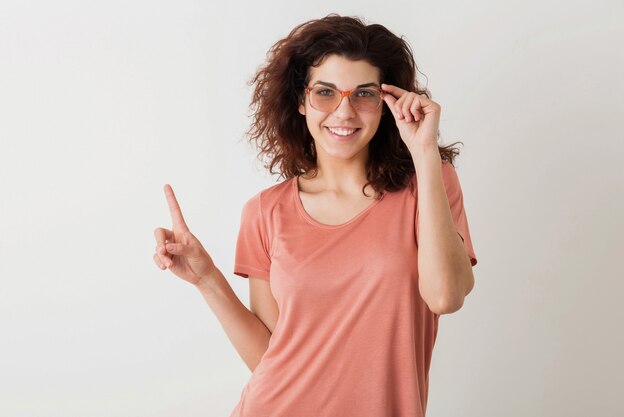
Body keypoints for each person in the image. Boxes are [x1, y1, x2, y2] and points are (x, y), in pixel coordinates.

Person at [152, 13, 478, 417]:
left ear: (387, 103)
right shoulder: (265, 211)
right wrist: (206, 279)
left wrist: (425, 153)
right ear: (301, 102)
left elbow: (446, 296)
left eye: (364, 94)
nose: (344, 112)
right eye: (326, 92)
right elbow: (271, 357)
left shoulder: (429, 185)